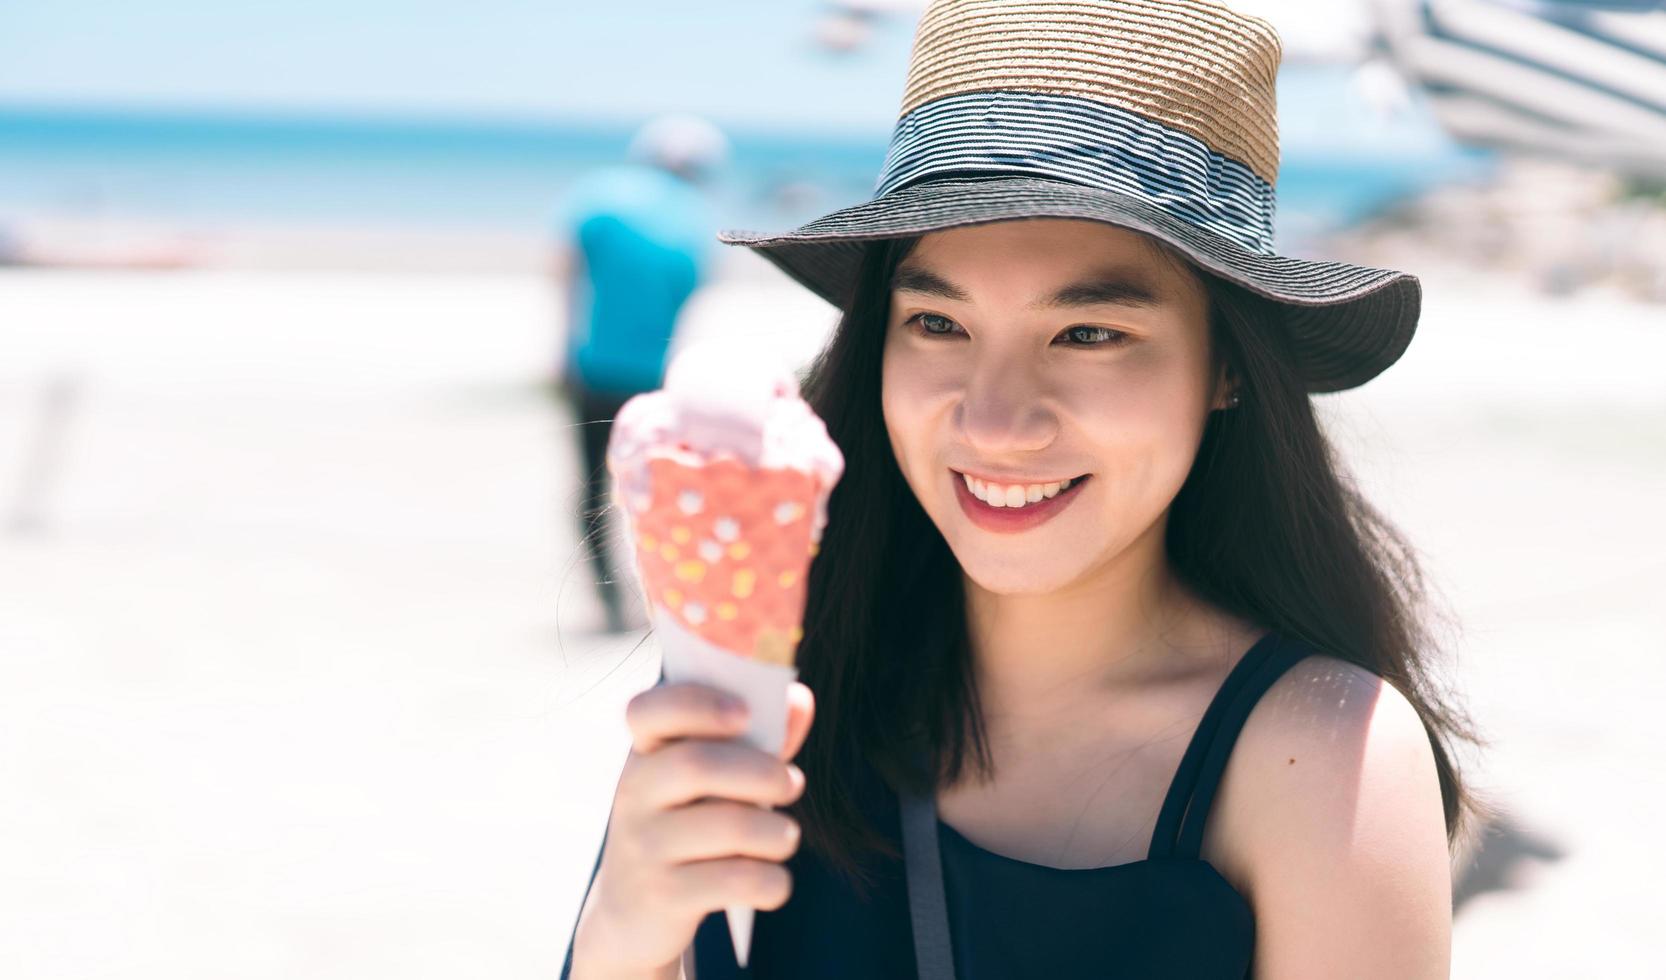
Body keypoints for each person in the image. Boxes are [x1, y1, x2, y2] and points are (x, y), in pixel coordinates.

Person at [562, 1, 1479, 976]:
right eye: (937, 325)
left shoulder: (1317, 754)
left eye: (1088, 332)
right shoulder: (762, 680)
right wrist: (623, 932)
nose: (994, 422)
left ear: (1226, 368)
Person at [555, 113, 727, 633]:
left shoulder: (598, 196)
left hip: (593, 366)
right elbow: (691, 293)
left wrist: (562, 347)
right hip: (656, 377)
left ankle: (610, 606)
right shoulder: (696, 220)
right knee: (656, 492)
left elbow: (568, 272)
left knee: (590, 491)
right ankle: (666, 597)